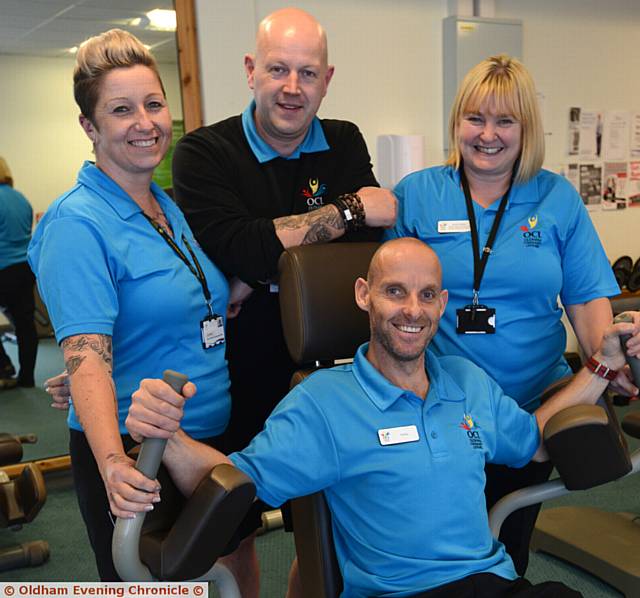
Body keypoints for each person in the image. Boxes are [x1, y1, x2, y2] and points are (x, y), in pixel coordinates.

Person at [125, 238, 640, 598]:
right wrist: (166, 436)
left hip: (494, 583)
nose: (412, 310)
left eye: (426, 295)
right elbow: (232, 484)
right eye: (395, 291)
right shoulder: (323, 402)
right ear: (363, 295)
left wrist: (602, 364)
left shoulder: (465, 379)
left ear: (442, 303)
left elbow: (536, 442)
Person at [27, 30, 256, 589]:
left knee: (219, 575)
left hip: (201, 440)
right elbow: (85, 357)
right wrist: (112, 465)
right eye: (121, 110)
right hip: (137, 452)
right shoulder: (78, 225)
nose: (145, 122)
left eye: (154, 104)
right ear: (90, 127)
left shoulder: (163, 204)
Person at [384, 54, 626, 575]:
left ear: (526, 128)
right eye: (476, 118)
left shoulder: (556, 198)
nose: (487, 134)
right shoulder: (418, 196)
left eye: (505, 120)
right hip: (442, 401)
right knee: (444, 540)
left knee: (510, 535)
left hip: (536, 396)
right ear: (457, 123)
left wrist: (612, 359)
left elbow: (585, 301)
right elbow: (386, 297)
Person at [171, 7, 397, 455]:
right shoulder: (203, 152)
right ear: (251, 71)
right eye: (278, 69)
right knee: (240, 507)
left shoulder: (343, 140)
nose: (293, 88)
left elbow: (359, 255)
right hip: (237, 369)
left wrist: (254, 275)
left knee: (333, 511)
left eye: (308, 73)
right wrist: (351, 209)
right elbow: (240, 246)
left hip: (332, 366)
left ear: (327, 80)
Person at [0, 156, 38, 390]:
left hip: (2, 269)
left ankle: (3, 367)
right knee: (26, 325)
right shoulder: (20, 198)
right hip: (24, 269)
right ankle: (27, 378)